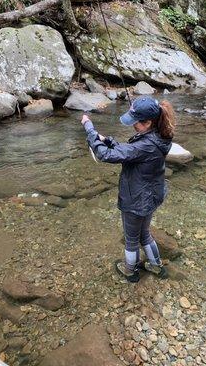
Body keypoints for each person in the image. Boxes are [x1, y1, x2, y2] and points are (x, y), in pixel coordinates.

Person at [81, 97, 176, 283]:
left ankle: (130, 272)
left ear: (148, 122)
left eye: (135, 122)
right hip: (151, 196)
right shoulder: (160, 136)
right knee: (145, 233)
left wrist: (89, 129)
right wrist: (106, 139)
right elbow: (131, 151)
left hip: (136, 200)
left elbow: (106, 155)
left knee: (131, 239)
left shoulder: (145, 145)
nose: (132, 125)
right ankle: (156, 266)